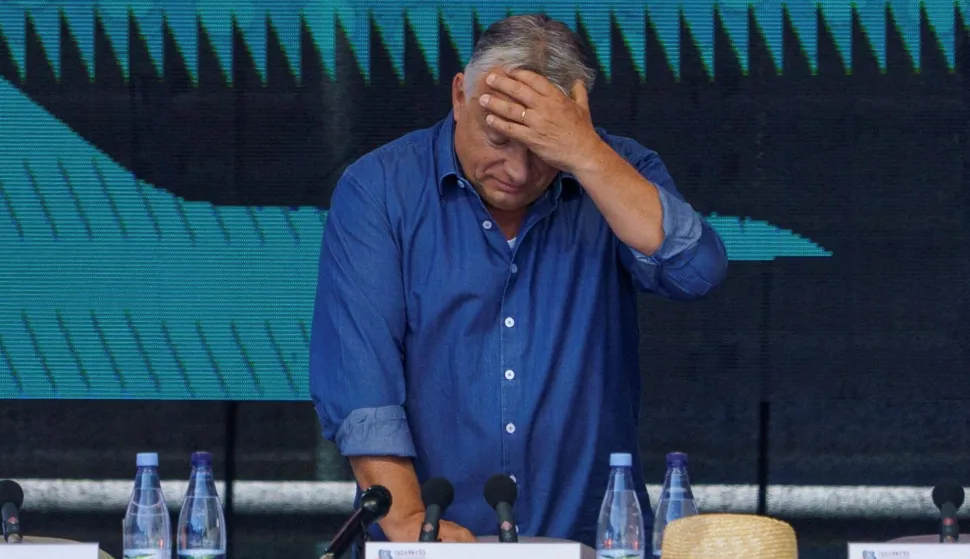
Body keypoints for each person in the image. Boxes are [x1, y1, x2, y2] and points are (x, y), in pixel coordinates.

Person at [309, 13, 728, 550]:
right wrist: (409, 521)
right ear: (459, 95)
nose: (518, 170)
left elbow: (696, 272)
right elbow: (361, 379)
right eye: (499, 138)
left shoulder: (614, 168)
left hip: (586, 539)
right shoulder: (379, 190)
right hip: (430, 540)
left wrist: (585, 154)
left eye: (543, 149)